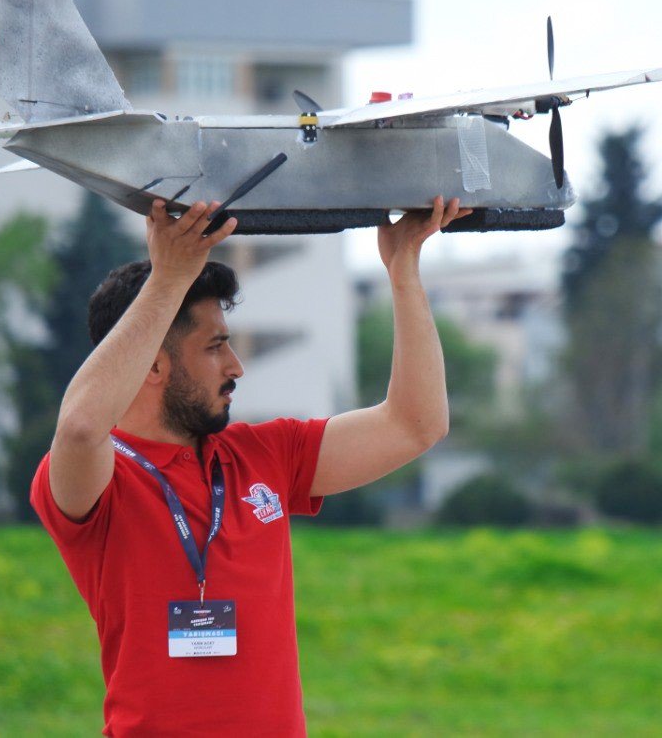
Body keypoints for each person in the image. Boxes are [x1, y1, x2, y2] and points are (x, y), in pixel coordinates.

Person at [30, 195, 472, 737]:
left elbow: (416, 424)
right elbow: (78, 426)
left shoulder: (264, 454)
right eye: (215, 347)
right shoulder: (99, 475)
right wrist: (168, 281)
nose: (236, 366)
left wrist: (403, 272)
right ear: (152, 365)